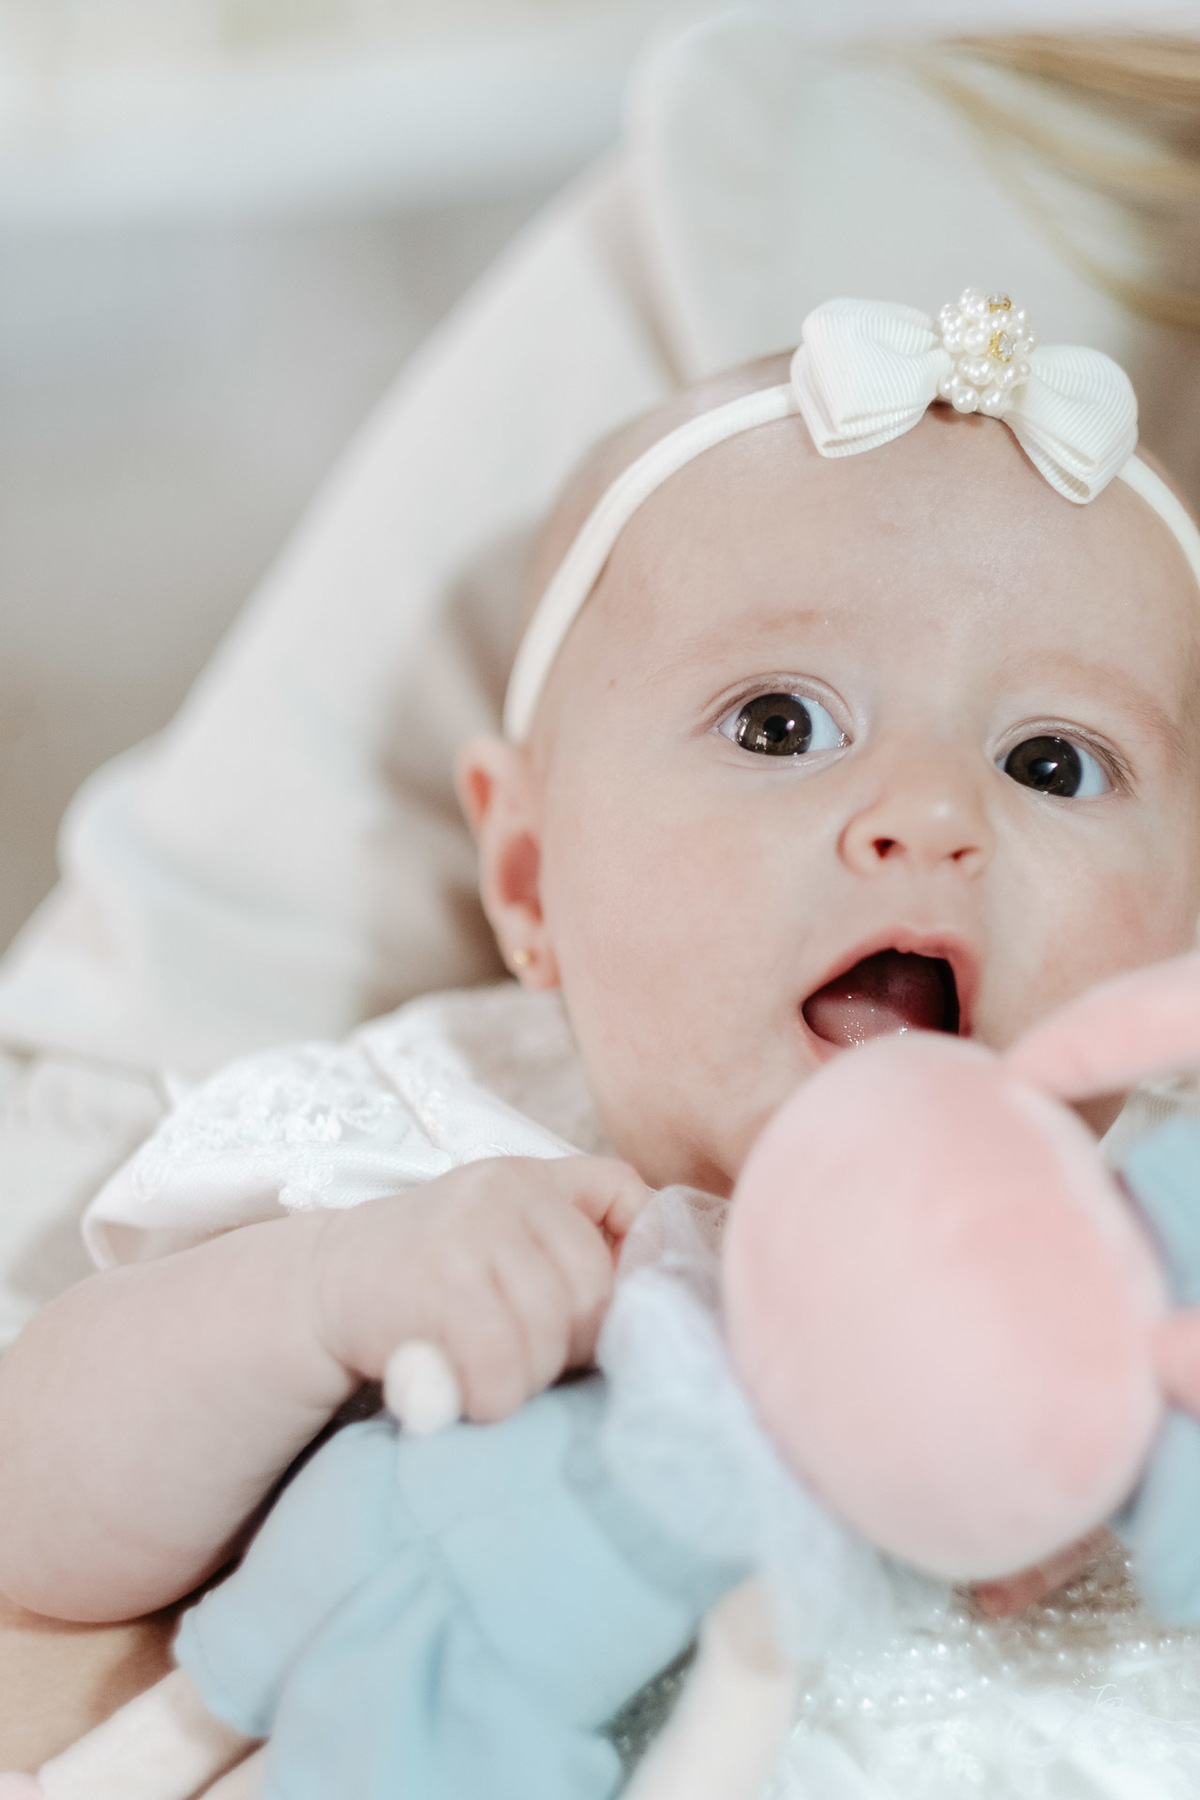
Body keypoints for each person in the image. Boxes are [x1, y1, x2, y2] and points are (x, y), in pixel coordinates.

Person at [6, 292, 1200, 1792]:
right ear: (527, 877)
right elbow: (35, 1510)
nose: (934, 816)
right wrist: (317, 1300)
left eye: (1051, 761)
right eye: (780, 724)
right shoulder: (433, 1143)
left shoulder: (1161, 1215)